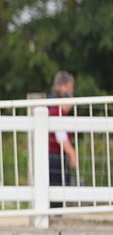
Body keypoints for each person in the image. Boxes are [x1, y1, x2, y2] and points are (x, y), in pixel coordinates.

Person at [47, 70, 78, 207]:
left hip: (56, 156)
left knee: (58, 187)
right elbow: (61, 137)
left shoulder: (55, 110)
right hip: (55, 157)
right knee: (57, 186)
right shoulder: (56, 112)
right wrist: (72, 154)